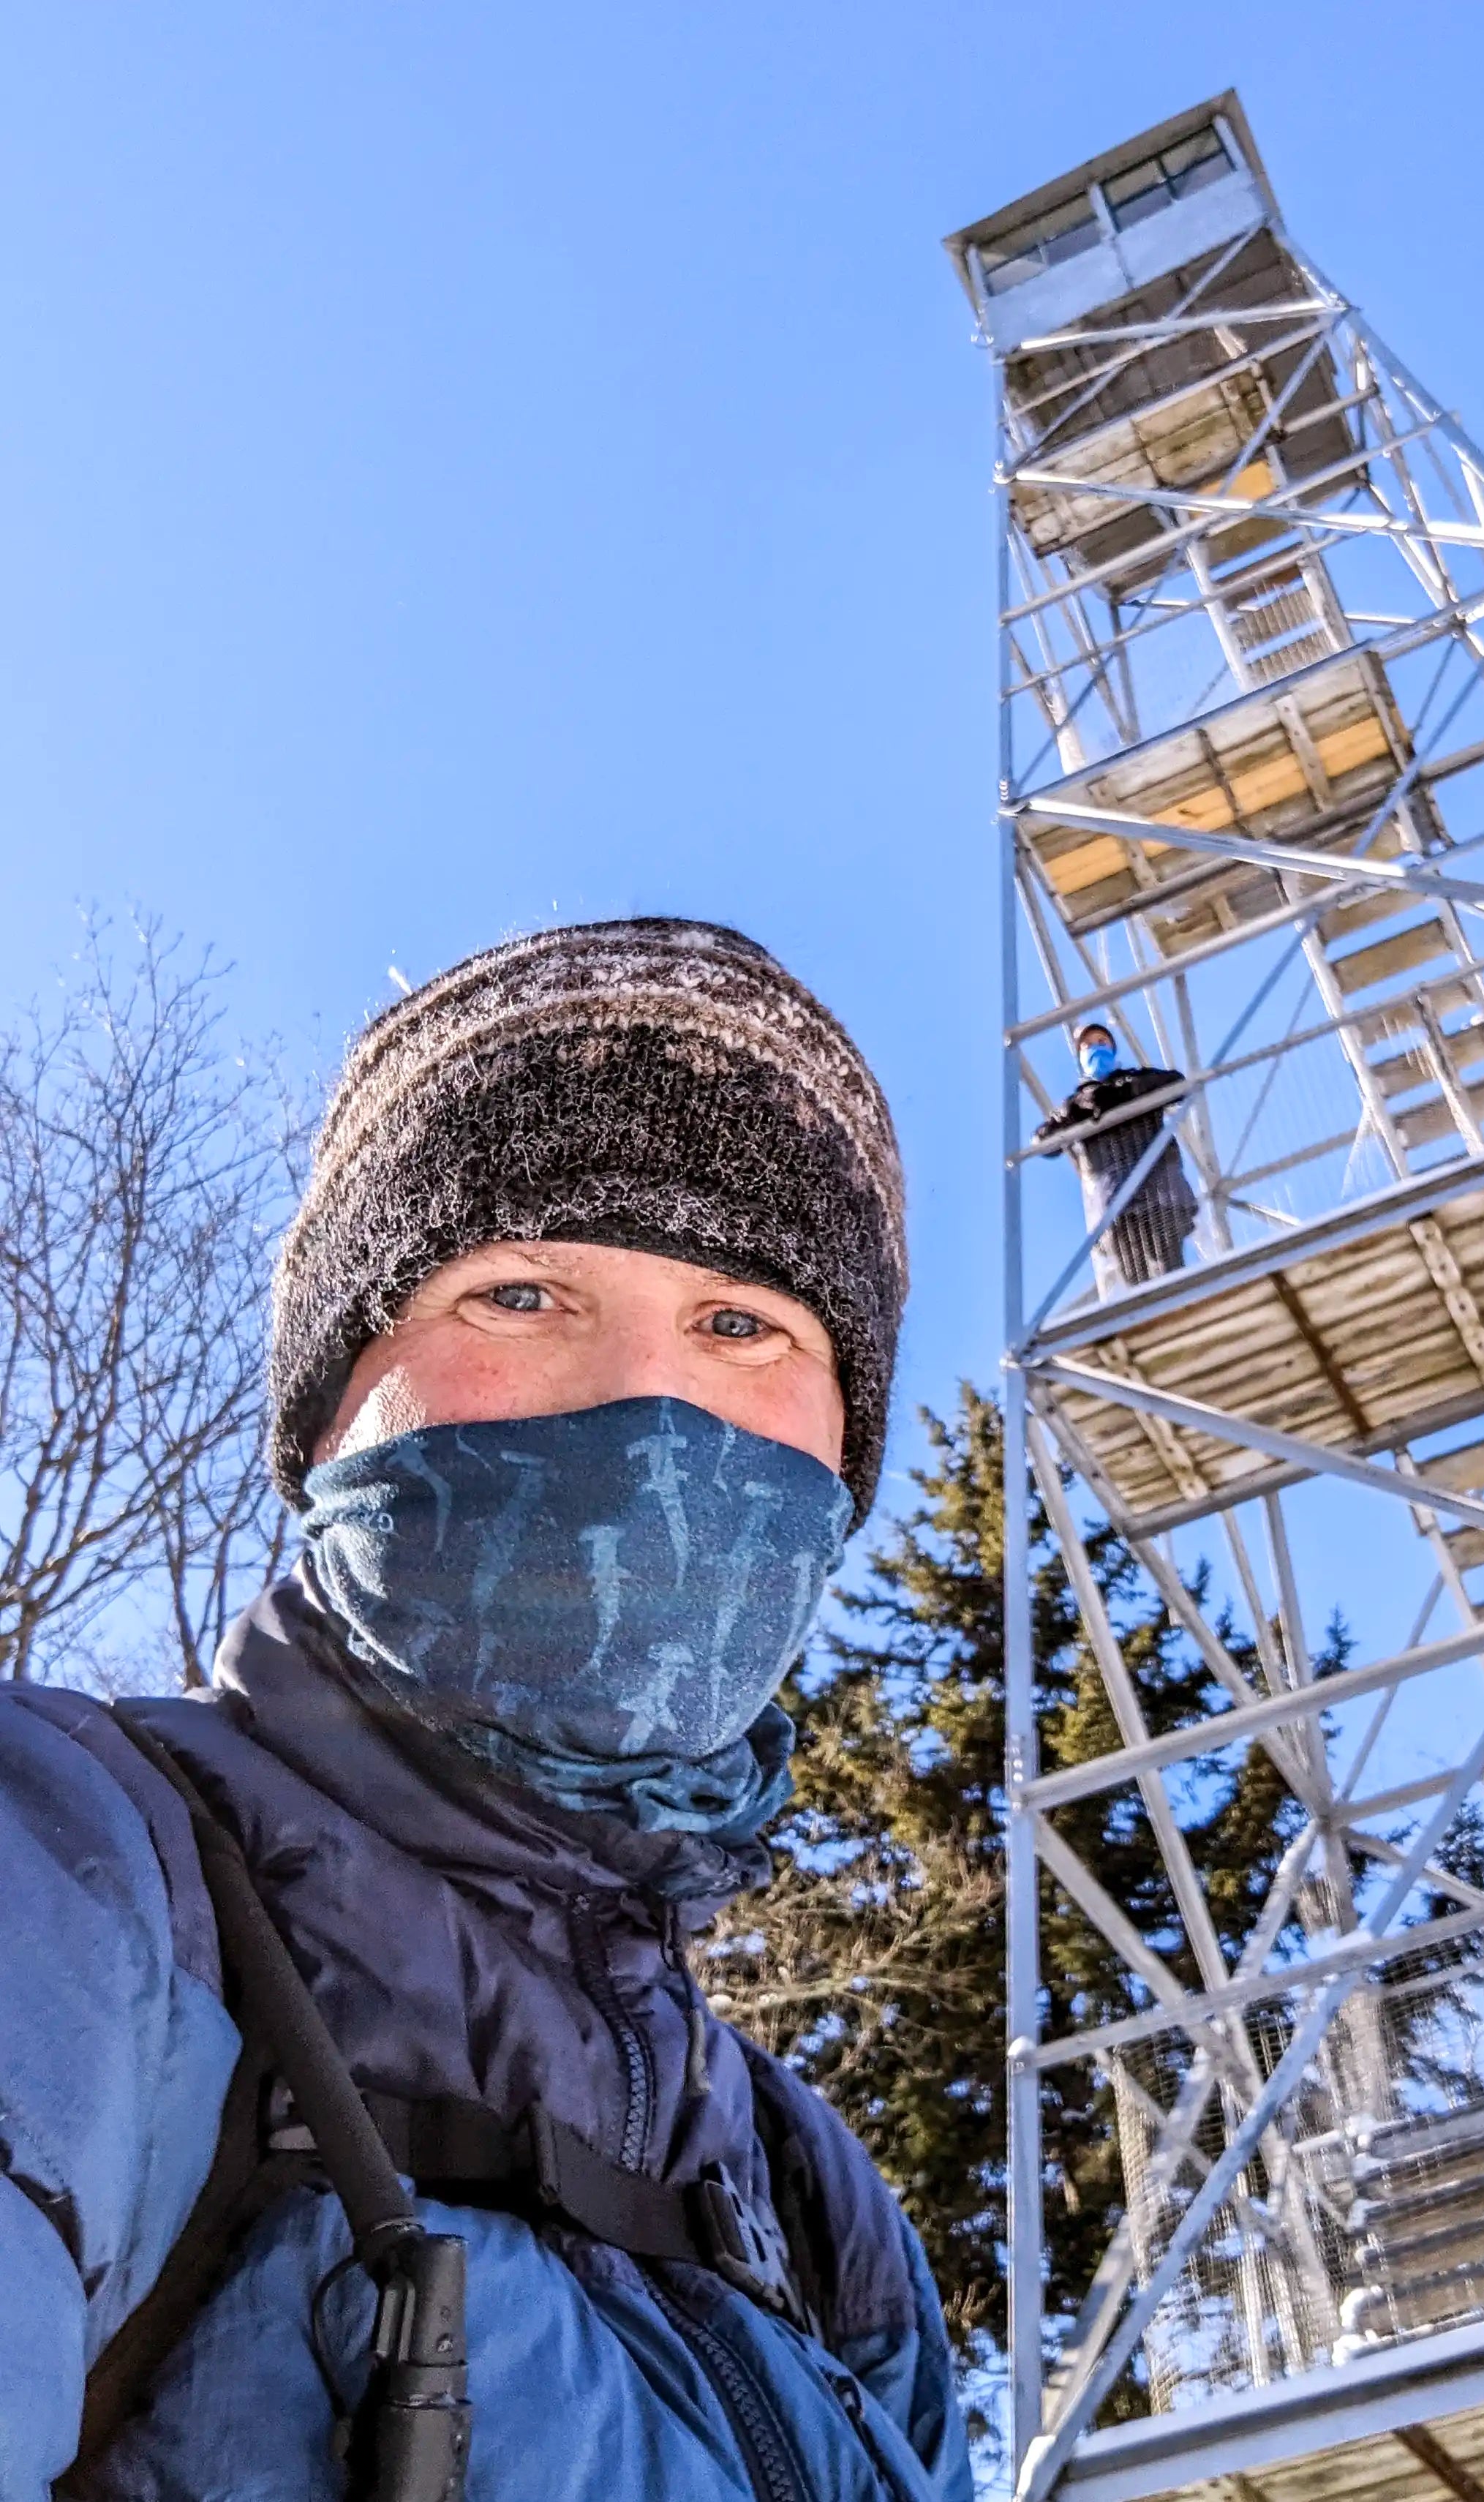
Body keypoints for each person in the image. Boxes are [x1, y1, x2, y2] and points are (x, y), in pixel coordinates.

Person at [0, 920, 971, 2502]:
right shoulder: (73, 1881)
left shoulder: (816, 2212)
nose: (648, 1407)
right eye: (521, 1293)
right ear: (328, 1415)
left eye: (746, 1326)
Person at [1033, 1021, 1199, 1296]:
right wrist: (1077, 1112)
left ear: (1112, 1047)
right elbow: (1043, 1143)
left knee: (1169, 1270)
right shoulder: (1075, 1104)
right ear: (1080, 1058)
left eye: (1101, 1042)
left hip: (1159, 1194)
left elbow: (1177, 1085)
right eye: (1087, 1046)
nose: (1095, 1048)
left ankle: (1179, 1308)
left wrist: (1129, 1091)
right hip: (1116, 1207)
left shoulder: (1136, 1079)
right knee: (1135, 1280)